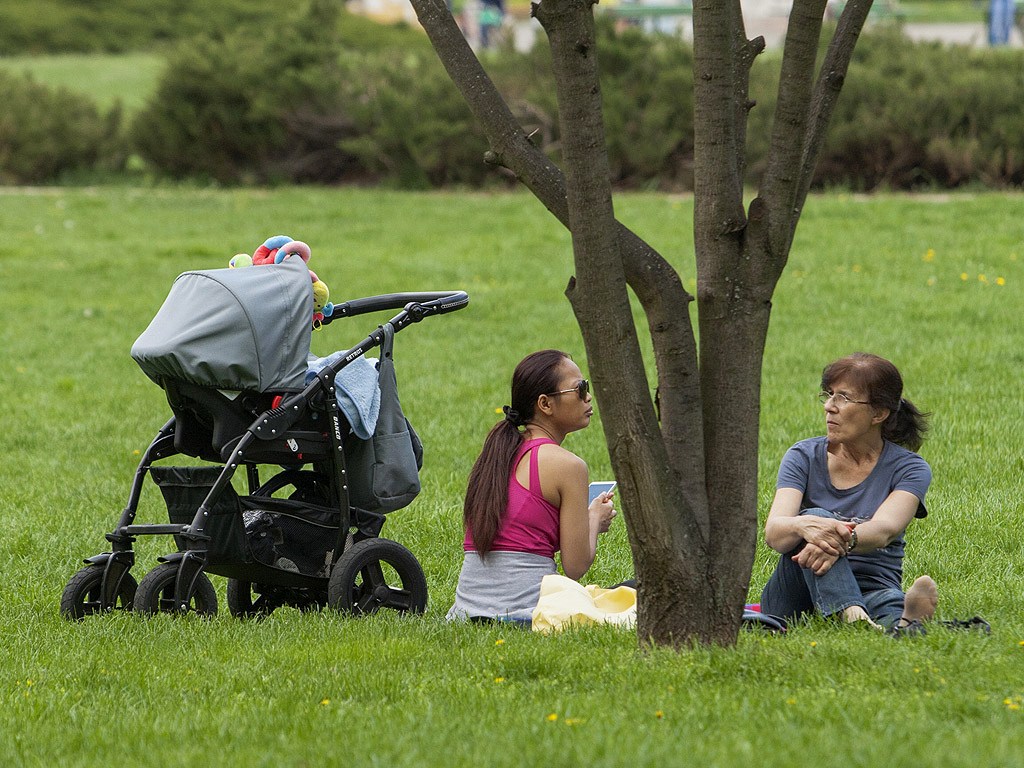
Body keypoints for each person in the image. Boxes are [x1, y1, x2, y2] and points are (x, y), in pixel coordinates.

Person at [760, 352, 938, 633]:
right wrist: (805, 525)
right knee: (814, 517)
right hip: (795, 592)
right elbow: (775, 533)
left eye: (843, 398)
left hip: (873, 584)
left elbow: (883, 531)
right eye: (829, 395)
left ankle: (905, 622)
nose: (829, 407)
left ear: (878, 414)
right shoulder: (802, 456)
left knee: (889, 606)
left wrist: (831, 536)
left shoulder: (910, 469)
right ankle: (854, 616)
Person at [447, 349, 616, 622]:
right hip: (525, 613)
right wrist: (594, 518)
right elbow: (575, 567)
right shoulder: (568, 466)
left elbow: (522, 537)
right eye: (579, 388)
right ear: (545, 404)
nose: (588, 396)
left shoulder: (497, 454)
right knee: (629, 594)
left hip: (466, 612)